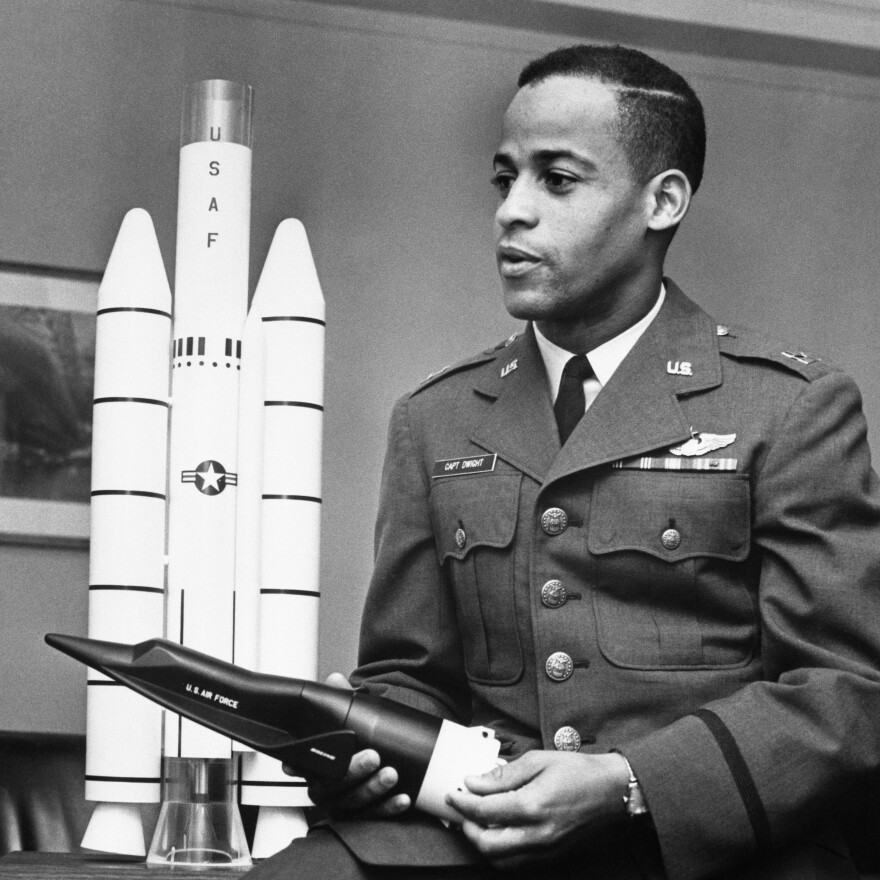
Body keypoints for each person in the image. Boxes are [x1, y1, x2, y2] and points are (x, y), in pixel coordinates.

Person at [248, 44, 880, 879]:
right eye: (504, 178)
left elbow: (843, 693)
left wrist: (626, 784)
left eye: (557, 179)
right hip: (481, 835)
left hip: (705, 846)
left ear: (662, 201)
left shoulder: (789, 407)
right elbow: (411, 675)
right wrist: (369, 743)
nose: (512, 211)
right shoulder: (435, 419)